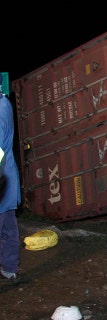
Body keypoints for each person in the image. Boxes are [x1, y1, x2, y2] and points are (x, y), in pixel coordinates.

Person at [0, 89, 21, 281]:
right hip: (8, 177)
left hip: (2, 177)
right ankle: (10, 267)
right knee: (8, 226)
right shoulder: (4, 103)